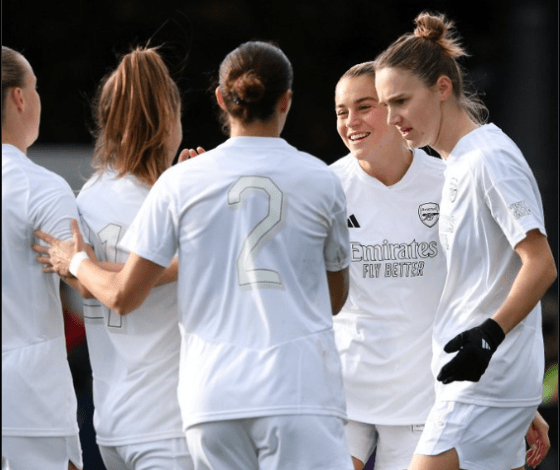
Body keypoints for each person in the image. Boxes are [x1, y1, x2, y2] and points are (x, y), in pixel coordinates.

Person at [37, 40, 354, 470]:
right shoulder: (320, 179)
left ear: (222, 99)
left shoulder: (115, 194)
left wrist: (75, 262)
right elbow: (333, 300)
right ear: (287, 100)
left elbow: (115, 288)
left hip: (193, 403)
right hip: (277, 393)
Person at [331, 60, 551, 470]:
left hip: (426, 397)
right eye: (342, 112)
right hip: (346, 392)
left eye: (366, 106)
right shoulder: (326, 188)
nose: (351, 121)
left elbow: (493, 278)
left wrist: (506, 401)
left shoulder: (451, 174)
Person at [36, 45, 193, 470]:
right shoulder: (181, 199)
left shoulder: (88, 197)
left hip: (111, 422)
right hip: (171, 422)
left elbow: (86, 284)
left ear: (106, 122)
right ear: (169, 120)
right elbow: (124, 288)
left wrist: (77, 262)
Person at [2, 45, 83, 470]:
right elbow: (89, 286)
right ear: (19, 97)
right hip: (31, 409)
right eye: (35, 88)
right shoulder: (42, 187)